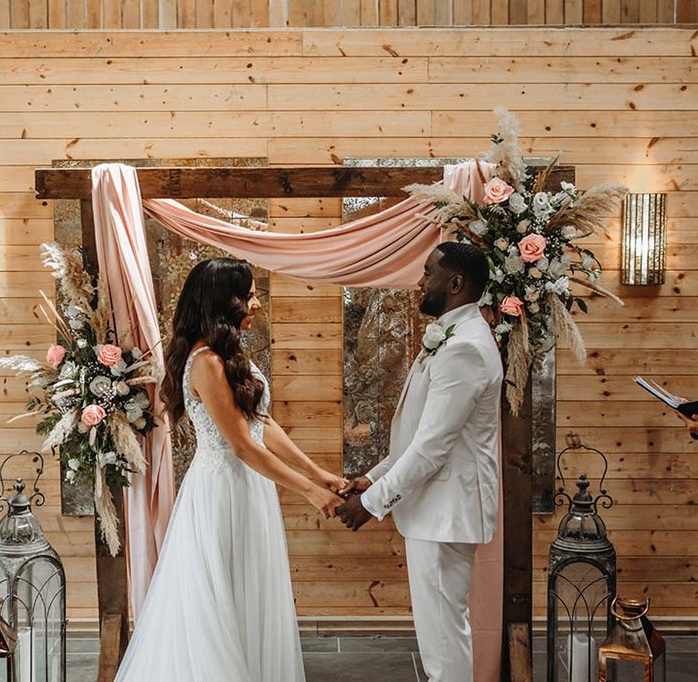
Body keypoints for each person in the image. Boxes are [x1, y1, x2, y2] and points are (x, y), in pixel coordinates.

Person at [115, 257, 346, 682]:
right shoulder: (206, 362)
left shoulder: (229, 354)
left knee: (250, 592)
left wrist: (320, 474)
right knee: (217, 599)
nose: (257, 305)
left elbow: (263, 425)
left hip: (248, 487)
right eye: (251, 295)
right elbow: (241, 446)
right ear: (227, 302)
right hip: (222, 489)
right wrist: (311, 493)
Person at [336, 241, 503, 682]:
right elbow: (416, 433)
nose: (419, 281)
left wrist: (372, 505)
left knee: (444, 640)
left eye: (427, 273)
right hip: (436, 510)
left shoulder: (464, 347)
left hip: (446, 511)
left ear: (455, 283)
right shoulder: (452, 336)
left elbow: (432, 447)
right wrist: (371, 479)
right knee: (440, 634)